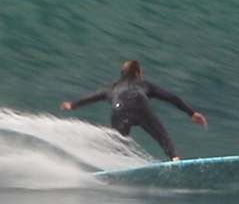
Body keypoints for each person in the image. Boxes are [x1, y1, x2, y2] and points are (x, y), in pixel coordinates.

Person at [60, 60, 207, 161]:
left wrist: (73, 105)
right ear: (137, 73)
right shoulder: (144, 84)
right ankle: (175, 160)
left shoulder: (110, 88)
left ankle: (118, 167)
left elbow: (92, 96)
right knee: (163, 138)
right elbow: (171, 97)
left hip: (119, 107)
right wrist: (192, 113)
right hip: (140, 104)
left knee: (119, 141)